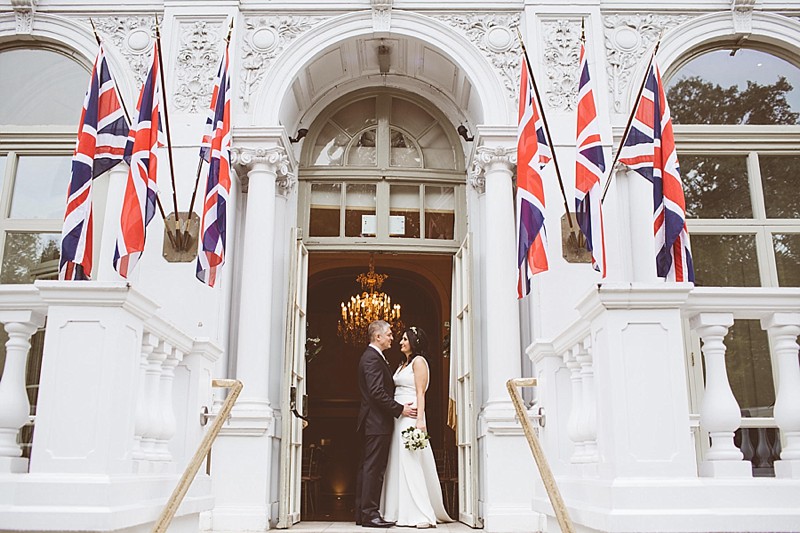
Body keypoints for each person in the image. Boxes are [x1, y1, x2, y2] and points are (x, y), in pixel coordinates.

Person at [381, 326, 452, 529]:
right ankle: (396, 510)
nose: (400, 342)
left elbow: (421, 393)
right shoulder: (403, 364)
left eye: (404, 339)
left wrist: (420, 420)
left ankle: (421, 513)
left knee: (411, 461)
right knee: (397, 461)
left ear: (414, 341)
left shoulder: (419, 362)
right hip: (399, 416)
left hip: (411, 416)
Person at [356, 320, 417, 528]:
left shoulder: (374, 357)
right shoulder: (372, 358)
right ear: (378, 337)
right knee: (373, 468)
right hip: (376, 422)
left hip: (375, 421)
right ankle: (370, 514)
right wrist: (400, 409)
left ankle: (363, 513)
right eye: (390, 334)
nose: (393, 337)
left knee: (369, 466)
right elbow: (376, 392)